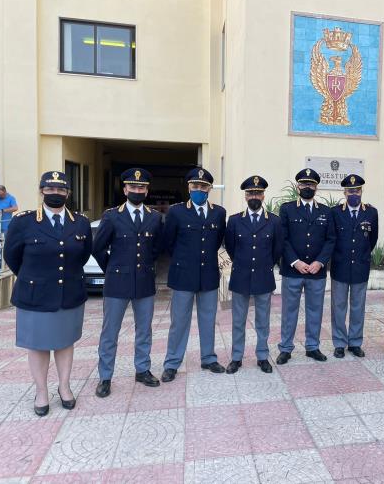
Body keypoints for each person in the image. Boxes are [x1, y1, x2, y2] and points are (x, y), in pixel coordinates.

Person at [3, 171, 92, 416]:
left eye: (61, 190)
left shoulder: (80, 222)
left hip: (69, 293)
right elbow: (11, 256)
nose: (56, 194)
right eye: (50, 190)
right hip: (36, 295)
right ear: (42, 191)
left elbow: (83, 255)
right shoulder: (24, 221)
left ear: (67, 194)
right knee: (38, 345)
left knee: (65, 343)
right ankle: (41, 391)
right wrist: (36, 278)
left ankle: (64, 387)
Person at [92, 168, 164, 398]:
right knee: (110, 332)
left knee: (144, 330)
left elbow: (156, 249)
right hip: (117, 284)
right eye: (133, 187)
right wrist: (113, 269)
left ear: (147, 190)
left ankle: (142, 370)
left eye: (141, 187)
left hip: (144, 282)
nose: (137, 190)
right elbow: (98, 248)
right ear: (125, 189)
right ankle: (105, 377)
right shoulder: (112, 216)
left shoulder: (154, 217)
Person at [161, 167, 227, 382]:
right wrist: (184, 261)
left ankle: (208, 358)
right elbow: (168, 243)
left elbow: (217, 242)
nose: (199, 190)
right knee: (179, 322)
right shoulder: (176, 211)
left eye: (203, 186)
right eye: (195, 186)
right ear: (188, 188)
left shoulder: (219, 212)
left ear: (209, 189)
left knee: (208, 320)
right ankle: (172, 362)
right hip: (183, 276)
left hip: (208, 274)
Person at [276, 168, 336, 364]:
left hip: (316, 271)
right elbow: (282, 239)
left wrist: (320, 262)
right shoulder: (287, 209)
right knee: (289, 311)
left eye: (311, 184)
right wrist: (296, 261)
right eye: (303, 184)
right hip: (293, 270)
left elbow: (330, 239)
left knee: (315, 310)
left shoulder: (326, 212)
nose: (307, 187)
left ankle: (312, 347)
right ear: (298, 186)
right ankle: (285, 348)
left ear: (316, 187)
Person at [224, 175, 283, 374]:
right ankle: (236, 357)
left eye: (258, 193)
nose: (254, 196)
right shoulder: (234, 221)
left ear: (264, 196)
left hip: (263, 277)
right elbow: (231, 248)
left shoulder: (274, 221)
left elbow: (277, 250)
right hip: (240, 276)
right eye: (250, 193)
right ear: (245, 196)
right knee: (238, 321)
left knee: (263, 321)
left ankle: (262, 356)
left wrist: (265, 265)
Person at [329, 174, 379, 358]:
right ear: (344, 192)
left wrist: (362, 256)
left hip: (360, 267)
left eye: (357, 190)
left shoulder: (371, 213)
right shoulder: (335, 213)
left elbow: (371, 241)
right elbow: (332, 239)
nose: (353, 194)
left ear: (361, 191)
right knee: (339, 307)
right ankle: (339, 343)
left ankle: (355, 342)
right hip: (340, 267)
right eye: (350, 191)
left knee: (358, 307)